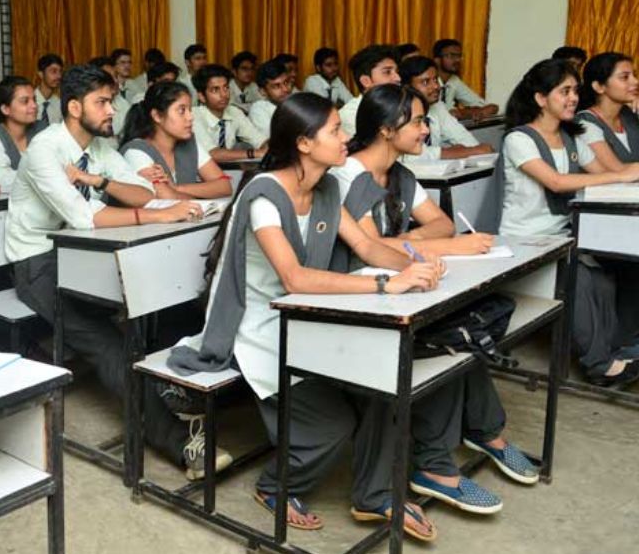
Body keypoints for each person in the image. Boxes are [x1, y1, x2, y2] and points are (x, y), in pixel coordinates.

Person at [169, 92, 440, 540]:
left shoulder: (327, 187)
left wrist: (414, 267)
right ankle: (275, 486)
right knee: (334, 425)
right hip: (259, 326)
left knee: (382, 384)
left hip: (308, 314)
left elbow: (367, 246)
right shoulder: (263, 195)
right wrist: (384, 285)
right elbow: (293, 277)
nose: (346, 137)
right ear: (304, 143)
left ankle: (375, 496)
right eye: (335, 130)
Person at [6, 64, 226, 480]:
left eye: (110, 101)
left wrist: (102, 181)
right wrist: (157, 215)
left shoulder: (100, 148)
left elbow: (142, 192)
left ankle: (167, 390)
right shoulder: (44, 150)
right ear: (74, 107)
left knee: (160, 304)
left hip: (86, 254)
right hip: (38, 262)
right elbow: (85, 217)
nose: (112, 110)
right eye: (102, 102)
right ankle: (182, 444)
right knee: (109, 342)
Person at [337, 83, 536, 514]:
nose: (427, 129)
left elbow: (441, 224)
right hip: (361, 298)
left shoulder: (401, 175)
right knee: (448, 341)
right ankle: (438, 464)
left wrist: (413, 243)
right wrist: (442, 247)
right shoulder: (349, 175)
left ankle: (485, 432)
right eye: (418, 121)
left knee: (463, 330)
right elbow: (370, 250)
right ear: (386, 129)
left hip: (399, 288)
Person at [498, 58, 639, 386]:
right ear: (540, 98)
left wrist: (624, 175)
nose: (574, 98)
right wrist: (623, 175)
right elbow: (557, 182)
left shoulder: (570, 136)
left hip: (562, 234)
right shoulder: (519, 139)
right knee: (580, 280)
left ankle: (613, 351)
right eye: (564, 91)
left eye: (575, 90)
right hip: (525, 240)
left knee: (605, 277)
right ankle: (599, 365)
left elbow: (605, 176)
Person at [120, 81, 232, 200]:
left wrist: (176, 188)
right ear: (157, 116)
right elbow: (166, 198)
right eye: (181, 111)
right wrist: (193, 194)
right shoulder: (136, 152)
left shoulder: (188, 143)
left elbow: (225, 186)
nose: (190, 117)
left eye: (190, 110)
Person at [398, 56, 493, 160]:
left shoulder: (438, 107)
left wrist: (471, 150)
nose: (436, 86)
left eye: (435, 79)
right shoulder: (399, 112)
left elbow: (465, 139)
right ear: (407, 87)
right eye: (425, 82)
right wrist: (455, 152)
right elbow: (409, 156)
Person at [0, 76, 40, 194]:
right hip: (2, 204)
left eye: (34, 100)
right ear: (5, 109)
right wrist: (46, 175)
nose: (34, 105)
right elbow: (3, 181)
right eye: (25, 101)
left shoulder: (41, 129)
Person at [574, 52, 639, 169]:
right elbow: (617, 170)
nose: (636, 81)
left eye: (634, 75)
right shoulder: (585, 123)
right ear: (599, 87)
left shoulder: (631, 115)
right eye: (625, 77)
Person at [191, 64, 267, 162]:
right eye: (215, 90)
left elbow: (259, 139)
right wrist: (256, 153)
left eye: (226, 87)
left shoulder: (234, 112)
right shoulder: (194, 116)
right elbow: (212, 154)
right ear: (201, 96)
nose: (224, 94)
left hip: (230, 168)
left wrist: (268, 147)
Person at [339, 44, 401, 136]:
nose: (398, 78)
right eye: (387, 72)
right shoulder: (351, 115)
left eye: (397, 72)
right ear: (366, 81)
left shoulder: (401, 106)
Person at [433, 39, 498, 121]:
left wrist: (462, 113)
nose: (457, 60)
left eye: (459, 56)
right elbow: (441, 114)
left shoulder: (454, 80)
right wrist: (465, 113)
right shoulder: (429, 82)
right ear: (437, 59)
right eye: (452, 56)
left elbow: (485, 106)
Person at [248, 59, 297, 140]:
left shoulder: (296, 102)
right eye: (277, 86)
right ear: (263, 91)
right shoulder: (259, 109)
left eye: (286, 82)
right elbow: (275, 141)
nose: (285, 89)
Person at [35, 53, 65, 126]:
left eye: (60, 71)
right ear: (41, 74)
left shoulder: (59, 104)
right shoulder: (30, 101)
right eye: (53, 71)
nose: (59, 76)